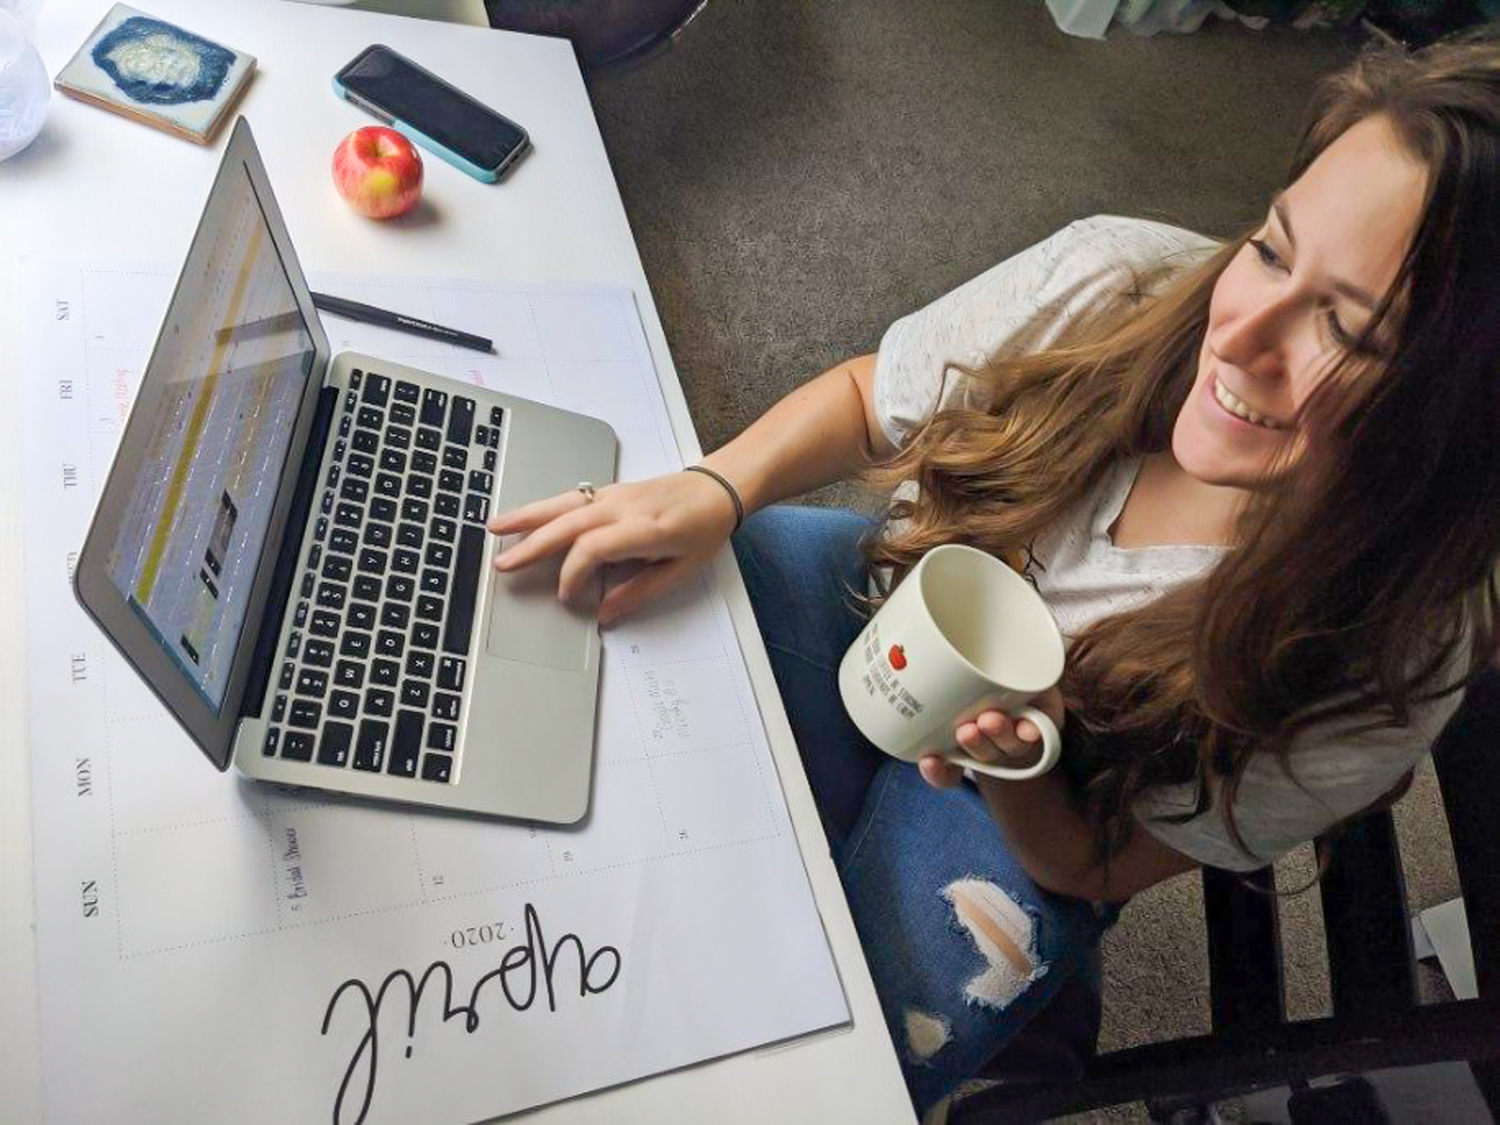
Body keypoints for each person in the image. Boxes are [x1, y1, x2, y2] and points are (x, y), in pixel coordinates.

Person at [485, 32, 1500, 1121]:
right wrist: (717, 489)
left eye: (1346, 327)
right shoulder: (1121, 280)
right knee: (580, 621)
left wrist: (1018, 768)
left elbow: (1095, 868)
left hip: (1049, 804)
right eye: (1269, 245)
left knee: (806, 1059)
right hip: (885, 588)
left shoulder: (1385, 655)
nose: (1239, 332)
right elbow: (879, 398)